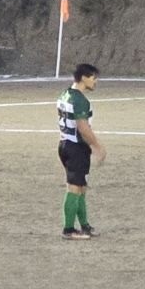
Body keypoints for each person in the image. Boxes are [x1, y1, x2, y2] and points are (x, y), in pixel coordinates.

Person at [57, 63, 107, 240]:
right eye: (94, 77)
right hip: (76, 147)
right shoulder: (80, 100)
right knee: (74, 188)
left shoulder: (65, 94)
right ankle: (69, 230)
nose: (96, 81)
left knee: (81, 187)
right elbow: (83, 127)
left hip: (64, 144)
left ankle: (84, 226)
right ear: (84, 78)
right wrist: (97, 146)